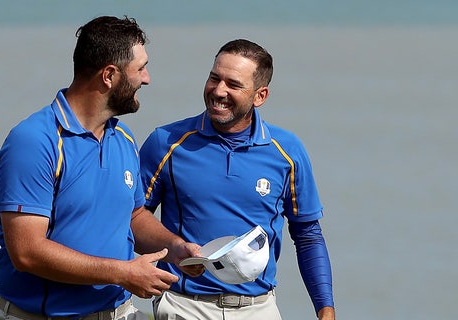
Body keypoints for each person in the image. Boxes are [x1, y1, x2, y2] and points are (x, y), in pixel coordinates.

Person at [0, 16, 202, 320]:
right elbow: (26, 252)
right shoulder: (34, 142)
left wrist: (173, 246)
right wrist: (122, 273)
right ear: (109, 75)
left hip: (118, 313)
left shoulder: (122, 137)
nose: (147, 78)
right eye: (140, 68)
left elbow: (134, 215)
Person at [139, 39, 335, 320]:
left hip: (259, 309)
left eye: (233, 84)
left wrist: (325, 310)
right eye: (214, 78)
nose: (219, 91)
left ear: (260, 96)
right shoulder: (166, 143)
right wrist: (171, 249)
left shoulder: (288, 152)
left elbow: (307, 235)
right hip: (184, 305)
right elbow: (132, 218)